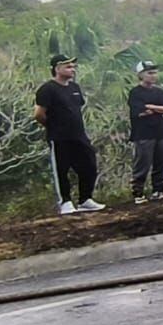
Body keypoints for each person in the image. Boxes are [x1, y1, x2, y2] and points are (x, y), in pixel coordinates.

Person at [33, 53, 105, 214]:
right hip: (59, 137)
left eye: (73, 66)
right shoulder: (47, 89)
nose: (72, 69)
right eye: (68, 66)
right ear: (57, 69)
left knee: (89, 165)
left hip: (79, 135)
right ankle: (65, 202)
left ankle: (85, 199)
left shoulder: (74, 87)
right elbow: (38, 114)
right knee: (62, 169)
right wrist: (53, 126)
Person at [127, 60, 163, 202]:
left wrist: (151, 107)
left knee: (161, 162)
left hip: (160, 131)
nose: (153, 75)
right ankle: (138, 193)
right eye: (150, 73)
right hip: (143, 133)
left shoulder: (159, 91)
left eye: (155, 72)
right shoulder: (135, 92)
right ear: (141, 75)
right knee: (142, 163)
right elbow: (140, 111)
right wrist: (156, 108)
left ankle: (159, 189)